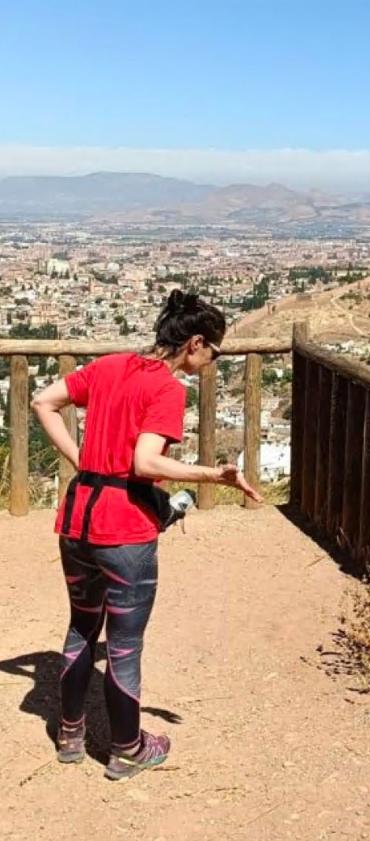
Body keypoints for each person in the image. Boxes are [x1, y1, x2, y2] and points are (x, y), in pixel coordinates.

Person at [31, 290, 262, 780]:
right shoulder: (167, 388)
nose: (211, 362)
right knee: (124, 645)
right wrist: (213, 476)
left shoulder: (110, 366)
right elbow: (145, 462)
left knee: (81, 627)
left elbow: (42, 400)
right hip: (124, 530)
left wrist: (81, 460)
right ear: (195, 343)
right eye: (213, 353)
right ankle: (128, 748)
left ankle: (70, 734)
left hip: (77, 519)